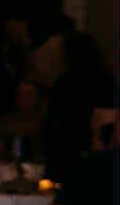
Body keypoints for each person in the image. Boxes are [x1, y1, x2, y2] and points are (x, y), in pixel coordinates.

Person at [43, 30, 116, 182]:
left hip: (70, 153)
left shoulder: (66, 84)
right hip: (98, 153)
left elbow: (54, 124)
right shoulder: (107, 82)